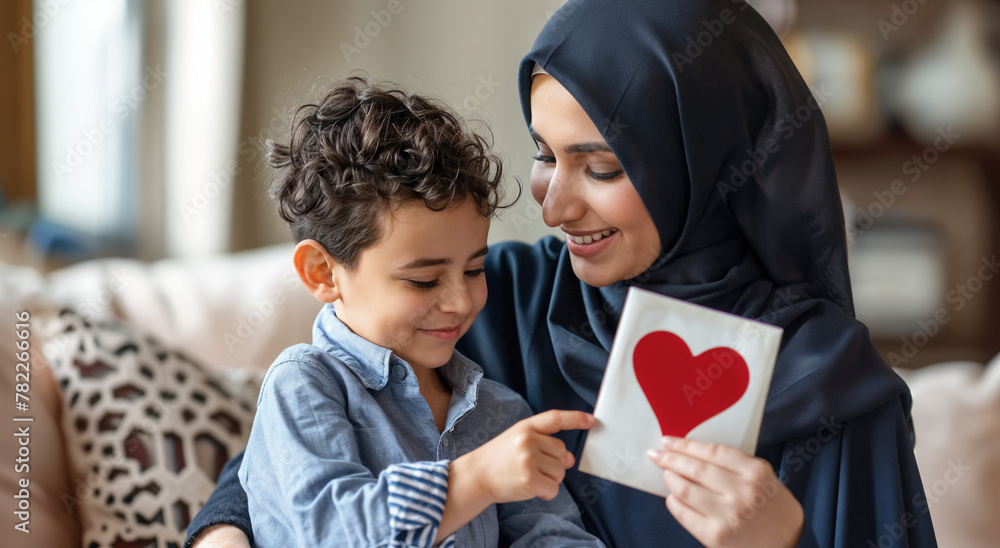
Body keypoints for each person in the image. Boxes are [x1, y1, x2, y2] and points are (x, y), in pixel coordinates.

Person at [187, 1, 938, 546]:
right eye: (546, 156)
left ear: (706, 163)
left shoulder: (835, 384)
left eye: (603, 167)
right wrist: (224, 535)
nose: (553, 208)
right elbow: (288, 462)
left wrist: (783, 544)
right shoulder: (495, 299)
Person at [233, 77, 604, 547]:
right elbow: (334, 534)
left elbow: (551, 534)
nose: (461, 301)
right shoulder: (304, 385)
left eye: (474, 270)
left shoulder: (499, 411)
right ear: (322, 273)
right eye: (423, 280)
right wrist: (478, 479)